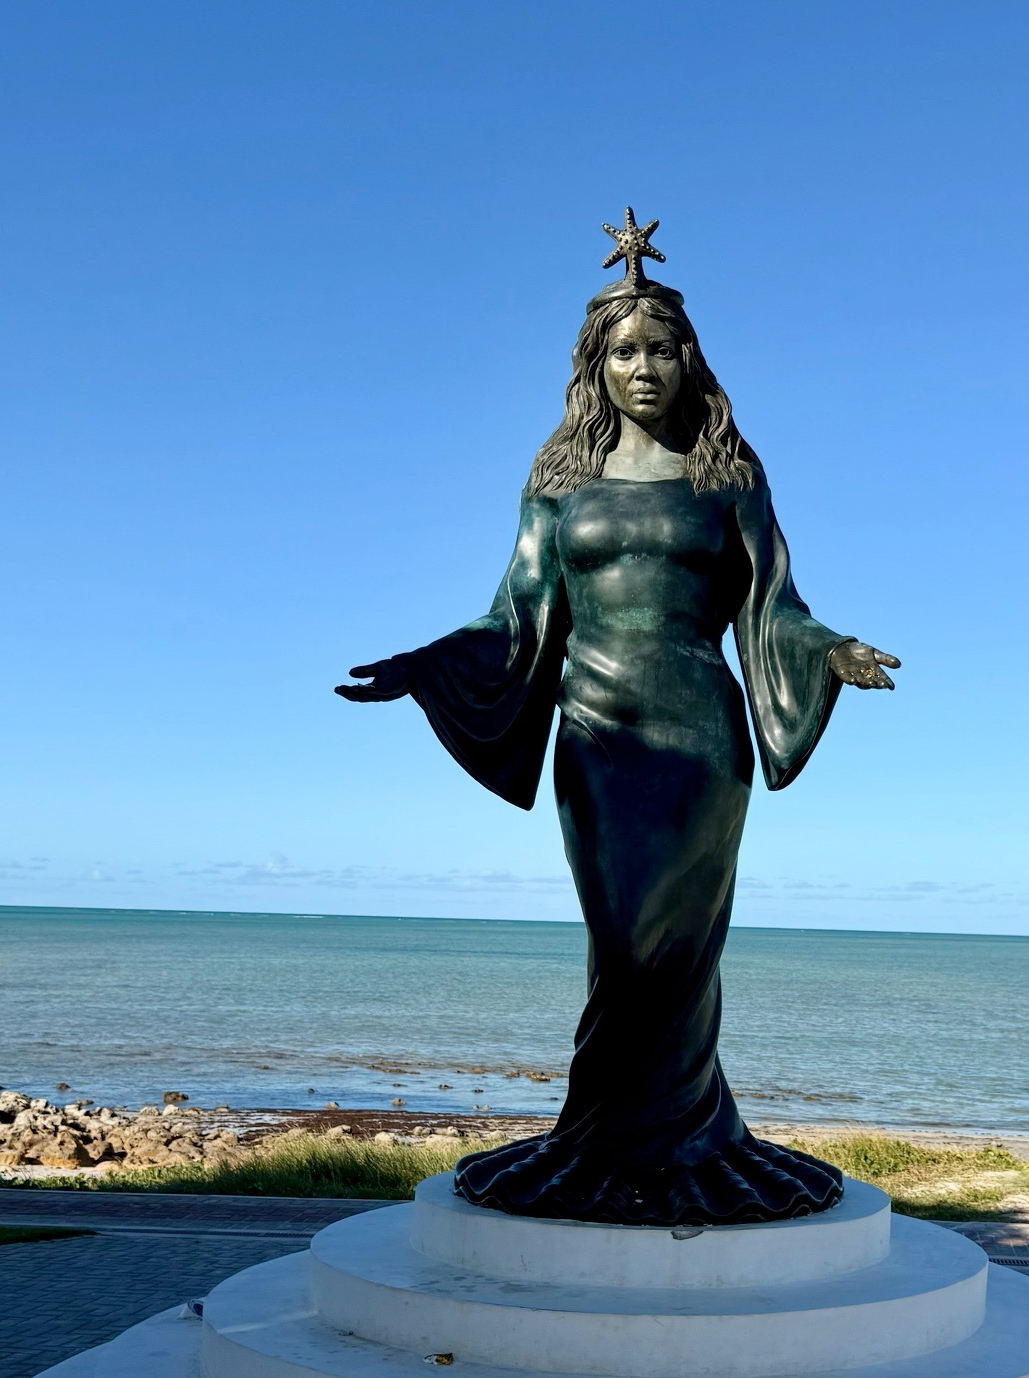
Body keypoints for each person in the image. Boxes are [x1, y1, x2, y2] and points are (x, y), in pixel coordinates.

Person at [339, 213, 898, 1225]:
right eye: (625, 351)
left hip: (700, 743)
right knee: (622, 945)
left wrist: (832, 653)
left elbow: (777, 607)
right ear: (596, 366)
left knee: (678, 950)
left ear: (691, 358)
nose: (646, 367)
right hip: (595, 736)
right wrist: (429, 665)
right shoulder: (557, 486)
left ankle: (689, 1143)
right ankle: (603, 1142)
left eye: (663, 349)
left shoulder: (731, 478)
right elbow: (513, 611)